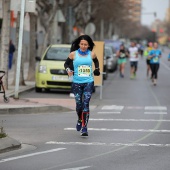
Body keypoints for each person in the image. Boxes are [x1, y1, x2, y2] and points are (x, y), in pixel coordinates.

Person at [64, 35, 100, 136]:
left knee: (86, 104)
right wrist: (68, 70)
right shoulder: (73, 54)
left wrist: (97, 69)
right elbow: (66, 64)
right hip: (76, 82)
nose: (83, 46)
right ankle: (80, 119)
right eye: (82, 44)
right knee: (79, 104)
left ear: (89, 45)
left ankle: (84, 127)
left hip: (89, 81)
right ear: (79, 44)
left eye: (85, 44)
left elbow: (96, 61)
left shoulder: (92, 54)